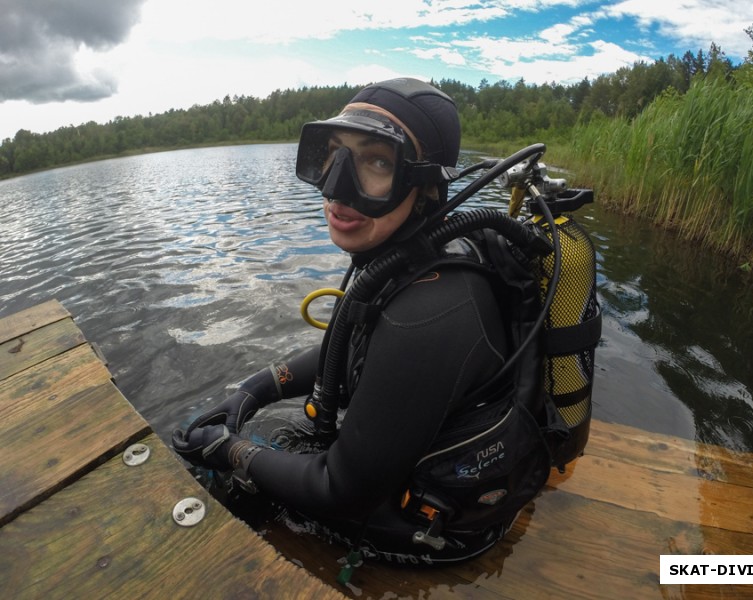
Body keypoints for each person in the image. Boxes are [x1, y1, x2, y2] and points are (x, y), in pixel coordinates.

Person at [172, 78, 553, 567]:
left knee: (241, 500)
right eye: (332, 155)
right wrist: (254, 389)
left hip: (439, 526)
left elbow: (339, 490)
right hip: (413, 448)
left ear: (426, 184)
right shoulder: (409, 253)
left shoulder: (430, 313)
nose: (336, 187)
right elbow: (343, 346)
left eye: (376, 161)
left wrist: (230, 451)